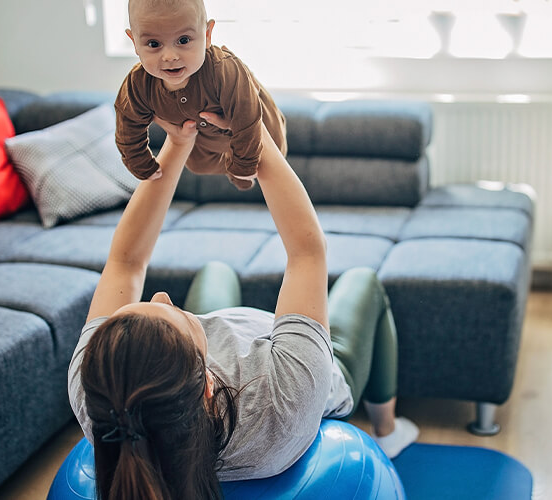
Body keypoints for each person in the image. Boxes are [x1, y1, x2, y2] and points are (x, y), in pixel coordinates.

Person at [68, 112, 418, 499]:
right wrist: (252, 130)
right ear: (207, 386)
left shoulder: (95, 387)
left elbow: (125, 262)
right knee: (365, 282)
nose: (162, 296)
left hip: (231, 353)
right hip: (305, 376)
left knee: (216, 270)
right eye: (177, 318)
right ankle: (389, 431)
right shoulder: (285, 401)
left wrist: (178, 143)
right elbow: (306, 252)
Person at [114, 0, 286, 190]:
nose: (170, 56)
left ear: (207, 34)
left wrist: (244, 166)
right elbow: (128, 126)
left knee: (266, 158)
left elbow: (247, 117)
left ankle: (247, 82)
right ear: (134, 43)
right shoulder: (138, 85)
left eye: (184, 40)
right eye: (154, 44)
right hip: (208, 144)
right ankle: (235, 166)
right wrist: (140, 164)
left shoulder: (220, 70)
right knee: (197, 165)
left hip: (257, 128)